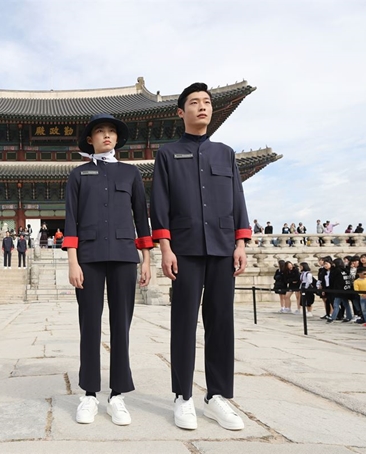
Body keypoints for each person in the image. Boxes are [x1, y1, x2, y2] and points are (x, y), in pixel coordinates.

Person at [150, 83, 250, 431]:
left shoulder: (226, 153)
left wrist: (241, 243)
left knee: (222, 322)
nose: (202, 107)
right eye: (194, 103)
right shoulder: (167, 153)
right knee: (183, 323)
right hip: (185, 249)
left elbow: (238, 199)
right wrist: (165, 247)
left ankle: (217, 397)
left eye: (207, 102)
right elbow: (159, 203)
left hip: (223, 248)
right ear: (181, 112)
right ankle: (183, 396)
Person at [63, 112, 152, 427]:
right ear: (90, 139)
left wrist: (147, 259)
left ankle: (117, 395)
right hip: (88, 256)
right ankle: (89, 393)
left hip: (125, 256)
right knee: (89, 324)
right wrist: (72, 260)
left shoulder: (130, 174)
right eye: (99, 132)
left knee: (121, 326)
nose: (106, 136)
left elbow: (142, 218)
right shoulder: (78, 174)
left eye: (111, 132)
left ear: (117, 139)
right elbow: (71, 219)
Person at [326, 258, 353, 323]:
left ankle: (333, 317)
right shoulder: (345, 270)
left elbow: (332, 280)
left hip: (338, 289)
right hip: (346, 289)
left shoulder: (336, 271)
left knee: (336, 304)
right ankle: (349, 316)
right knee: (346, 304)